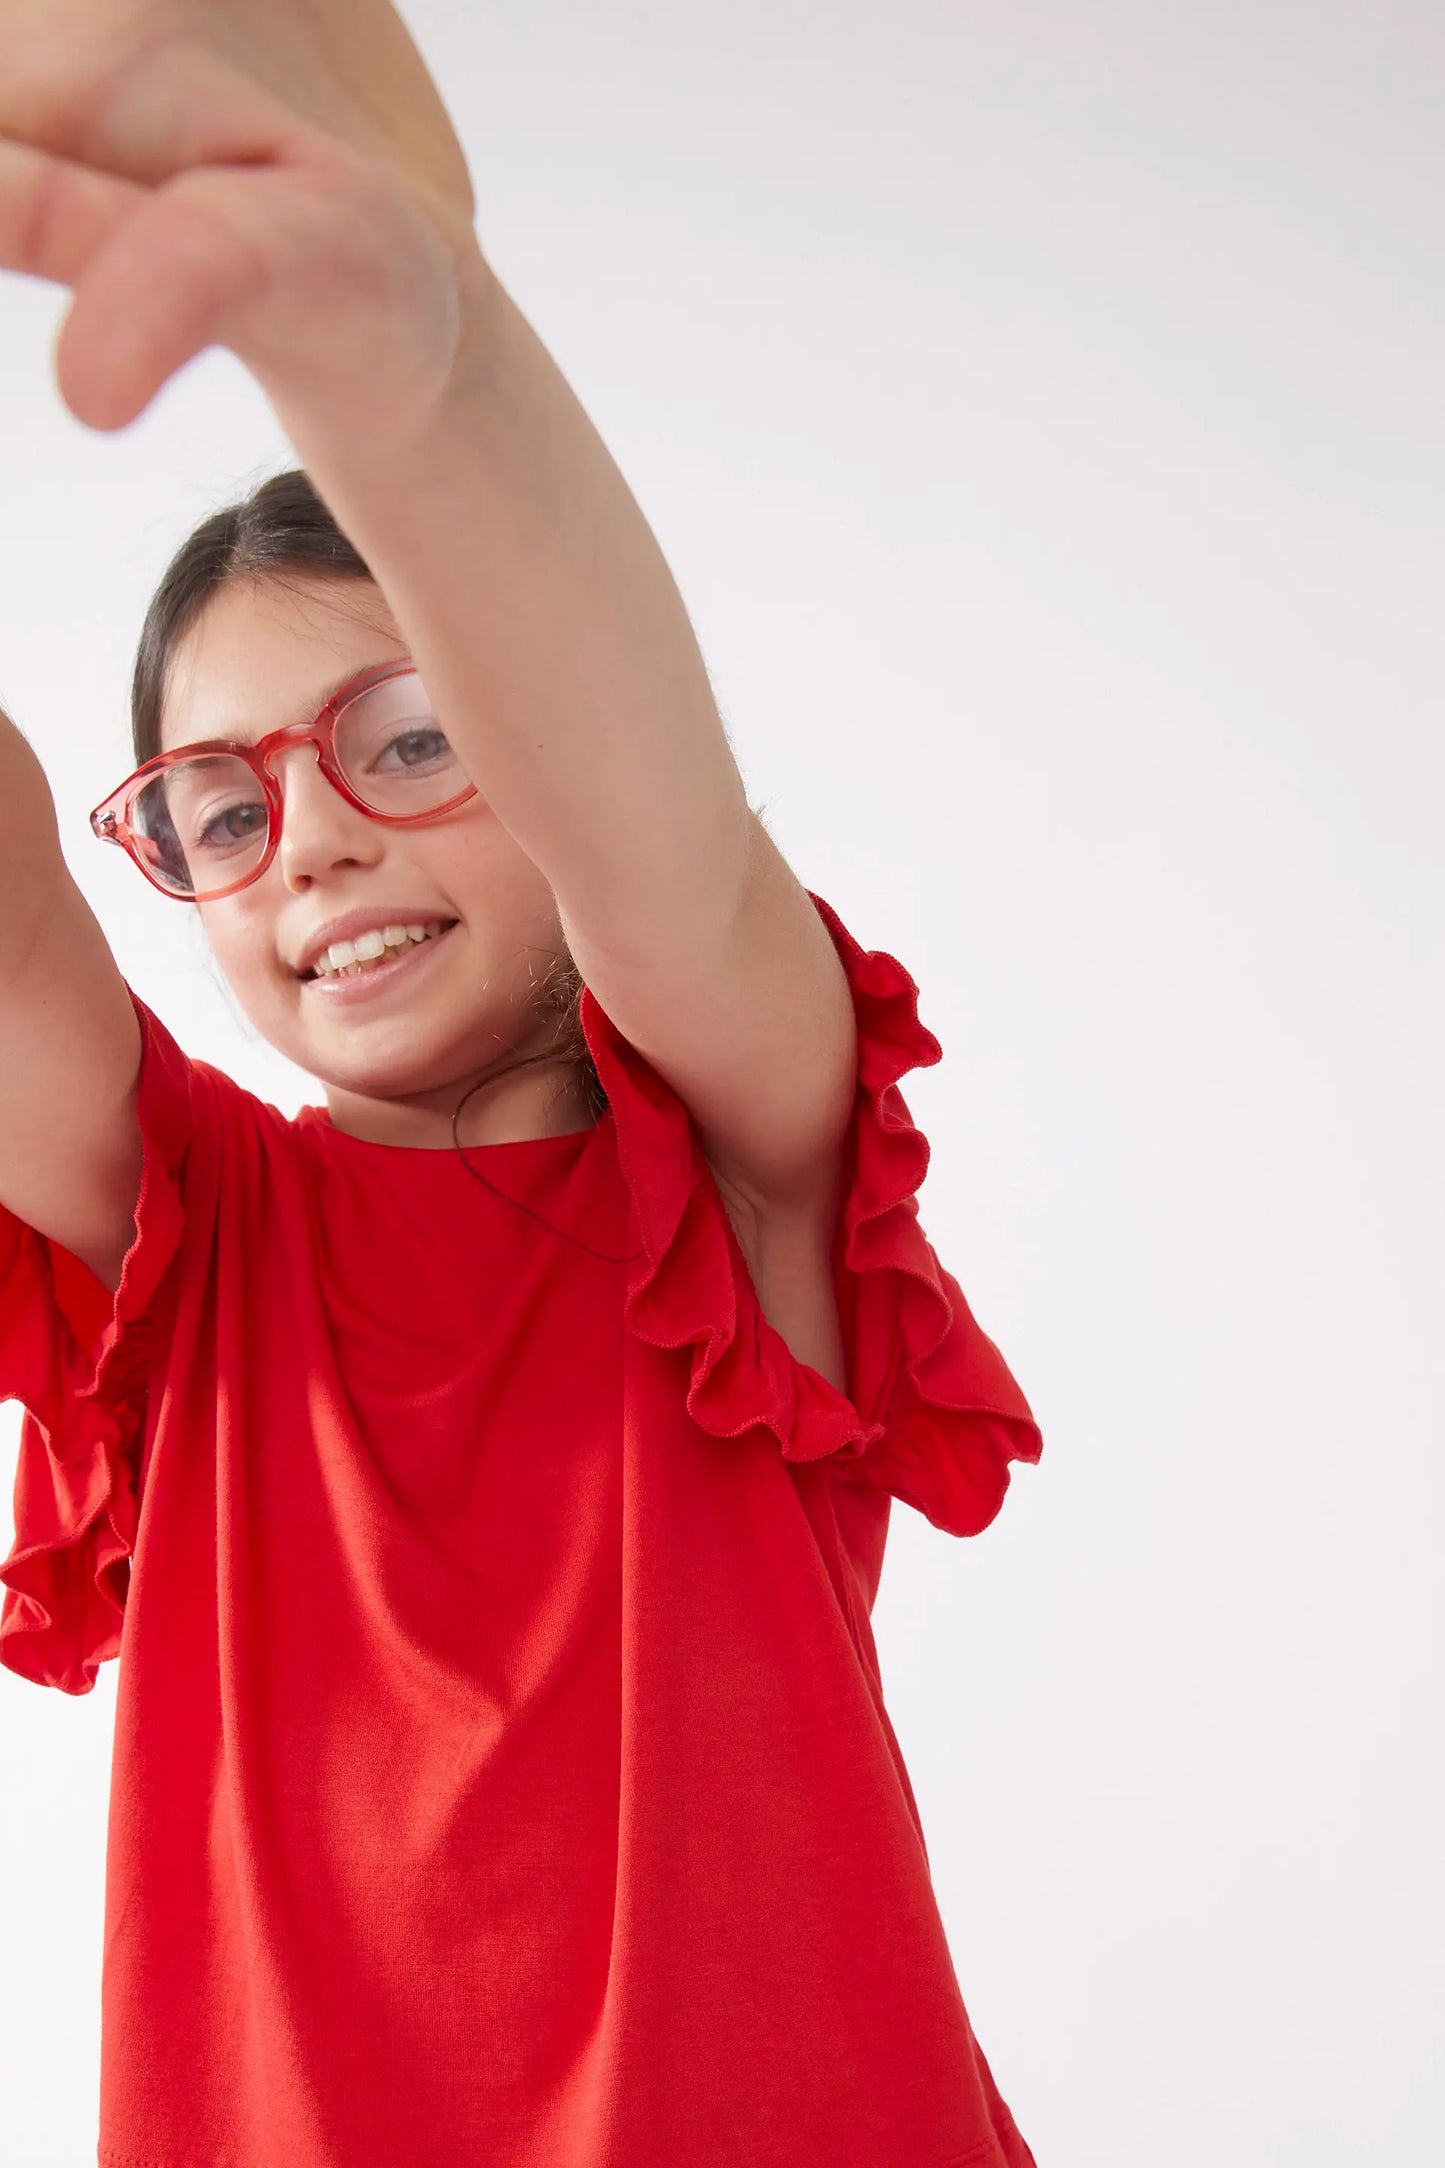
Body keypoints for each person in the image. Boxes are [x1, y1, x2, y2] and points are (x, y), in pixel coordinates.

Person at [0, 6, 1045, 2164]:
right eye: (217, 803)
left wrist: (423, 372)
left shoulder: (737, 1178)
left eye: (402, 735)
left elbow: (652, 825)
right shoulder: (186, 1238)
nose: (319, 843)